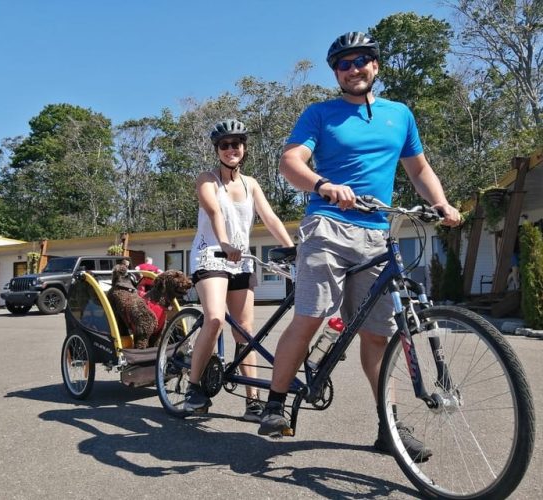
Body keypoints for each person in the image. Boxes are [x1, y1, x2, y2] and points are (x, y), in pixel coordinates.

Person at [258, 32, 461, 461]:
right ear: (336, 73)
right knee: (312, 314)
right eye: (344, 64)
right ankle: (275, 404)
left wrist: (439, 202)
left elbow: (419, 168)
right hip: (328, 224)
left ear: (376, 66)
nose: (354, 69)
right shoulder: (320, 114)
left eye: (361, 61)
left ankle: (388, 426)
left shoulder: (399, 115)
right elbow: (291, 162)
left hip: (375, 232)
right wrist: (325, 185)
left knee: (378, 335)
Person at [186, 118, 295, 421]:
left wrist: (291, 248)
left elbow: (270, 217)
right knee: (215, 319)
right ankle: (193, 389)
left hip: (241, 259)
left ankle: (253, 401)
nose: (231, 149)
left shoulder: (252, 184)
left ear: (244, 148)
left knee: (245, 331)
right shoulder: (207, 179)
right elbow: (214, 211)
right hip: (212, 255)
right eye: (224, 145)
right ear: (217, 150)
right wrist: (223, 241)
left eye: (236, 144)